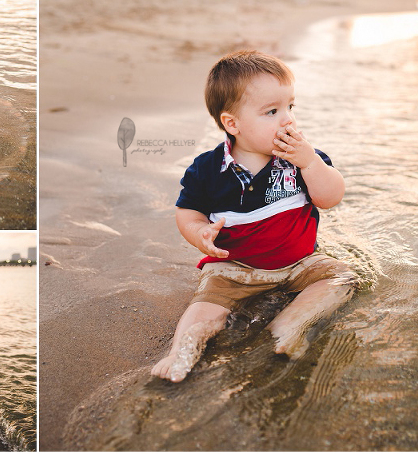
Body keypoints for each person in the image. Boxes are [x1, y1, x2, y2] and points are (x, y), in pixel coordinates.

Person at [152, 50, 358, 383]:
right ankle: (181, 351)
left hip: (300, 263)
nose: (287, 119)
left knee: (341, 278)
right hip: (236, 268)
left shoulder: (302, 159)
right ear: (232, 124)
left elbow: (330, 197)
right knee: (206, 308)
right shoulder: (207, 169)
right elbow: (187, 211)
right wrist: (199, 231)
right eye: (272, 111)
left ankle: (291, 324)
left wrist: (311, 164)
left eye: (291, 107)